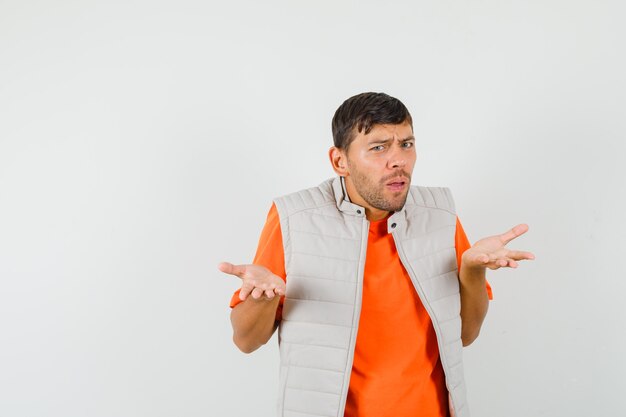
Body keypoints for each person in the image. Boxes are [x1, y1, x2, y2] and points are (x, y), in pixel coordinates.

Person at [219, 92, 534, 417]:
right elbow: (246, 341)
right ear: (340, 161)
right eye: (379, 147)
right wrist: (262, 299)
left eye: (406, 145)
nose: (398, 160)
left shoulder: (439, 214)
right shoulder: (294, 218)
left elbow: (465, 335)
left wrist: (472, 270)